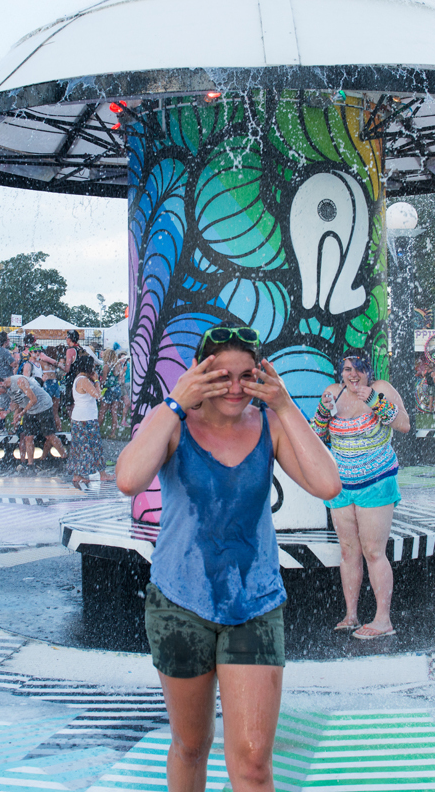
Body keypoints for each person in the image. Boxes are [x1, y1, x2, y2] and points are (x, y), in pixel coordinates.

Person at [116, 324, 340, 792]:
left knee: (255, 763)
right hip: (179, 604)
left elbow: (328, 484)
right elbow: (129, 479)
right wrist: (174, 401)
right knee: (191, 747)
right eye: (221, 375)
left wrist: (283, 404)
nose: (236, 387)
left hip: (255, 604)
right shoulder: (173, 425)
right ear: (200, 374)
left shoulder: (269, 425)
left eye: (246, 374)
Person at [312, 349, 410, 641]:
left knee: (373, 552)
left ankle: (383, 620)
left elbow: (403, 424)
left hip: (375, 484)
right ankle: (351, 615)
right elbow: (317, 435)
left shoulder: (381, 390)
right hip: (341, 487)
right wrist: (322, 412)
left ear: (369, 370)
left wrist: (374, 402)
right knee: (348, 553)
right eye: (347, 370)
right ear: (340, 373)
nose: (353, 375)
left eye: (359, 369)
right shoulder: (332, 393)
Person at [0, 373, 66, 472]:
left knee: (49, 435)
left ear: (1, 383)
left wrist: (21, 413)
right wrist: (7, 411)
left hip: (43, 406)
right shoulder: (8, 388)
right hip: (30, 409)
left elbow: (33, 399)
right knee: (28, 437)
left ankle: (65, 459)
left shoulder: (20, 381)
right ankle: (31, 465)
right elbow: (16, 402)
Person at [66, 353, 115, 489]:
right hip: (86, 419)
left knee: (79, 447)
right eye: (93, 366)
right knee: (94, 446)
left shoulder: (79, 379)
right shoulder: (84, 381)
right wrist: (97, 381)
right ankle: (102, 473)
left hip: (80, 418)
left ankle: (77, 474)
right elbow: (98, 395)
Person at [98, 348, 124, 433]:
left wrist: (100, 387)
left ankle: (96, 431)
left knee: (102, 411)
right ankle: (113, 433)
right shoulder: (117, 365)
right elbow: (119, 378)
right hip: (117, 389)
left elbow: (104, 380)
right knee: (114, 411)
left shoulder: (106, 366)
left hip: (109, 390)